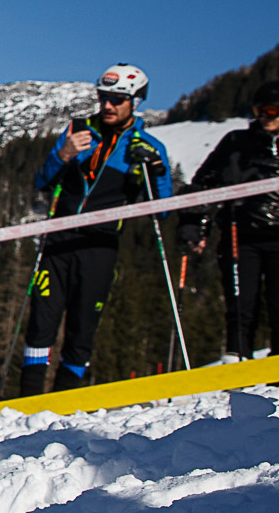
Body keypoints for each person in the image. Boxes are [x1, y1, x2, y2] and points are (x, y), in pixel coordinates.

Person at [22, 63, 172, 396]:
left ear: (135, 102)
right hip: (58, 240)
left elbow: (162, 209)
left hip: (100, 247)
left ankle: (64, 403)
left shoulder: (146, 146)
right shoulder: (78, 131)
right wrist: (63, 154)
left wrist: (156, 168)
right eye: (103, 98)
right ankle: (26, 403)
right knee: (41, 323)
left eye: (117, 100)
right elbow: (42, 182)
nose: (107, 106)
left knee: (82, 327)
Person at [179, 80, 279, 360]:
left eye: (271, 111)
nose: (264, 117)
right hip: (242, 234)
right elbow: (205, 183)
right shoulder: (238, 144)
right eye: (258, 110)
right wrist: (194, 224)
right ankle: (238, 365)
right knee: (240, 307)